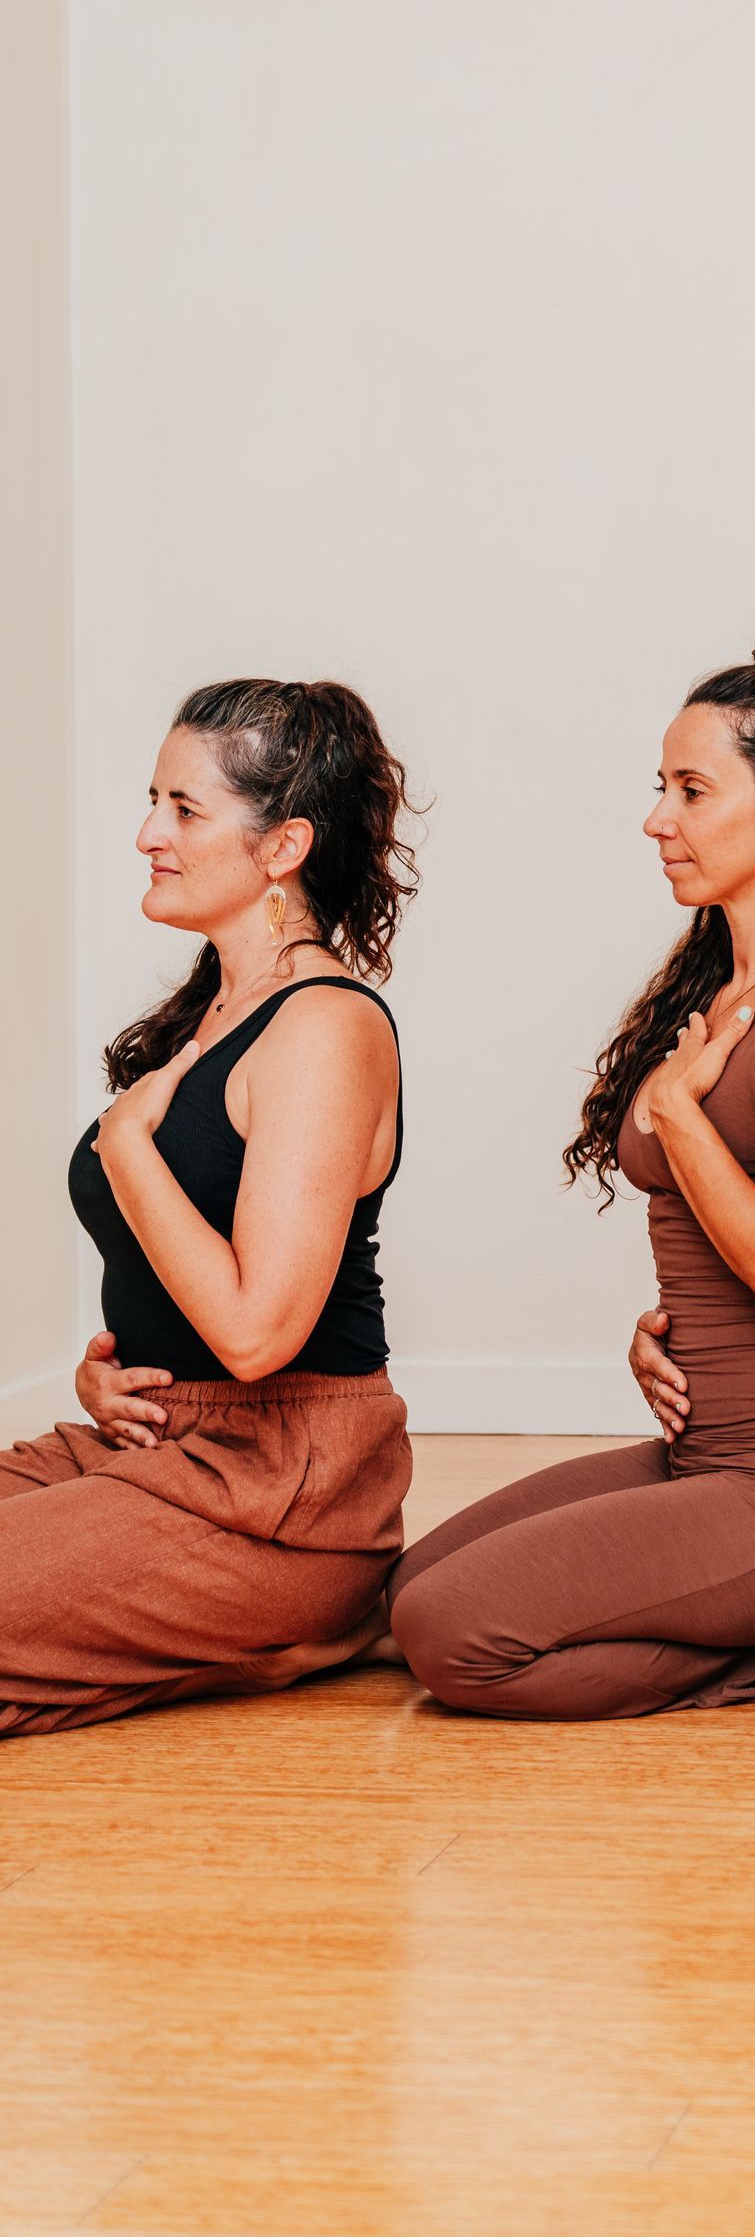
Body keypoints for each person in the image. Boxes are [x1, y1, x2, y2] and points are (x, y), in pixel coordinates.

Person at [389, 623, 755, 1720]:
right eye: (660, 786)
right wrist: (670, 1326)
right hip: (703, 1449)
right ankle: (754, 1618)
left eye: (690, 789)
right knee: (410, 1592)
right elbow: (725, 1243)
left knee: (452, 1639)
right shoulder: (720, 993)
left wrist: (675, 1110)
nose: (656, 818)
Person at [0, 679, 416, 1738]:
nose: (148, 833)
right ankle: (231, 1646)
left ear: (283, 848)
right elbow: (178, 1294)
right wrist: (113, 1368)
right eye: (155, 800)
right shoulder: (214, 1011)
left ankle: (297, 1621)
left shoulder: (324, 1026)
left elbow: (255, 1332)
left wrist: (127, 1145)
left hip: (277, 1493)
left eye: (184, 810)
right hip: (156, 1446)